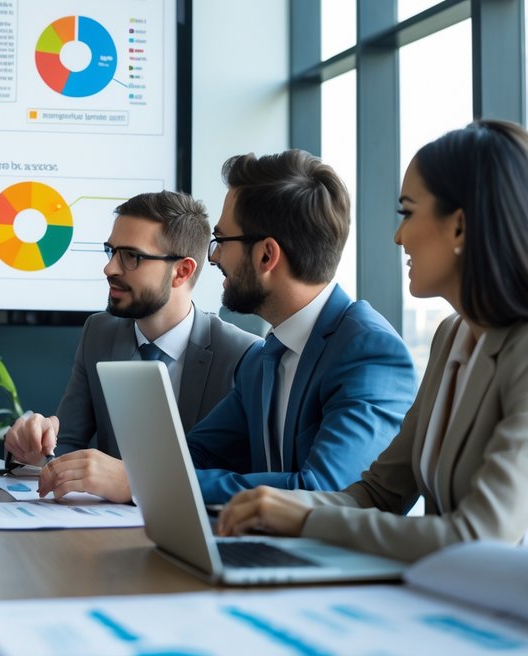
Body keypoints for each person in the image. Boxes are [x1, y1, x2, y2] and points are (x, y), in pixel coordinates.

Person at [219, 120, 528, 561]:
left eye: (407, 212)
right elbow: (380, 493)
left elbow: (480, 538)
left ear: (459, 227)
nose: (397, 236)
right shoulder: (451, 337)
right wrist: (280, 507)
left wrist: (305, 518)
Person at [43, 149, 417, 504]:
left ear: (267, 255)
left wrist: (138, 480)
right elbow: (195, 453)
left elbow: (322, 492)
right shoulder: (267, 356)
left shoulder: (368, 350)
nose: (215, 256)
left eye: (221, 240)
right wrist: (116, 472)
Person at [4, 191, 259, 499]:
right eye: (111, 252)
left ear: (182, 271)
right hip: (101, 529)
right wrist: (37, 448)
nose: (110, 268)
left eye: (131, 256)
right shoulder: (99, 332)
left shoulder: (243, 355)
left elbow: (241, 478)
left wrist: (140, 484)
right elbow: (66, 445)